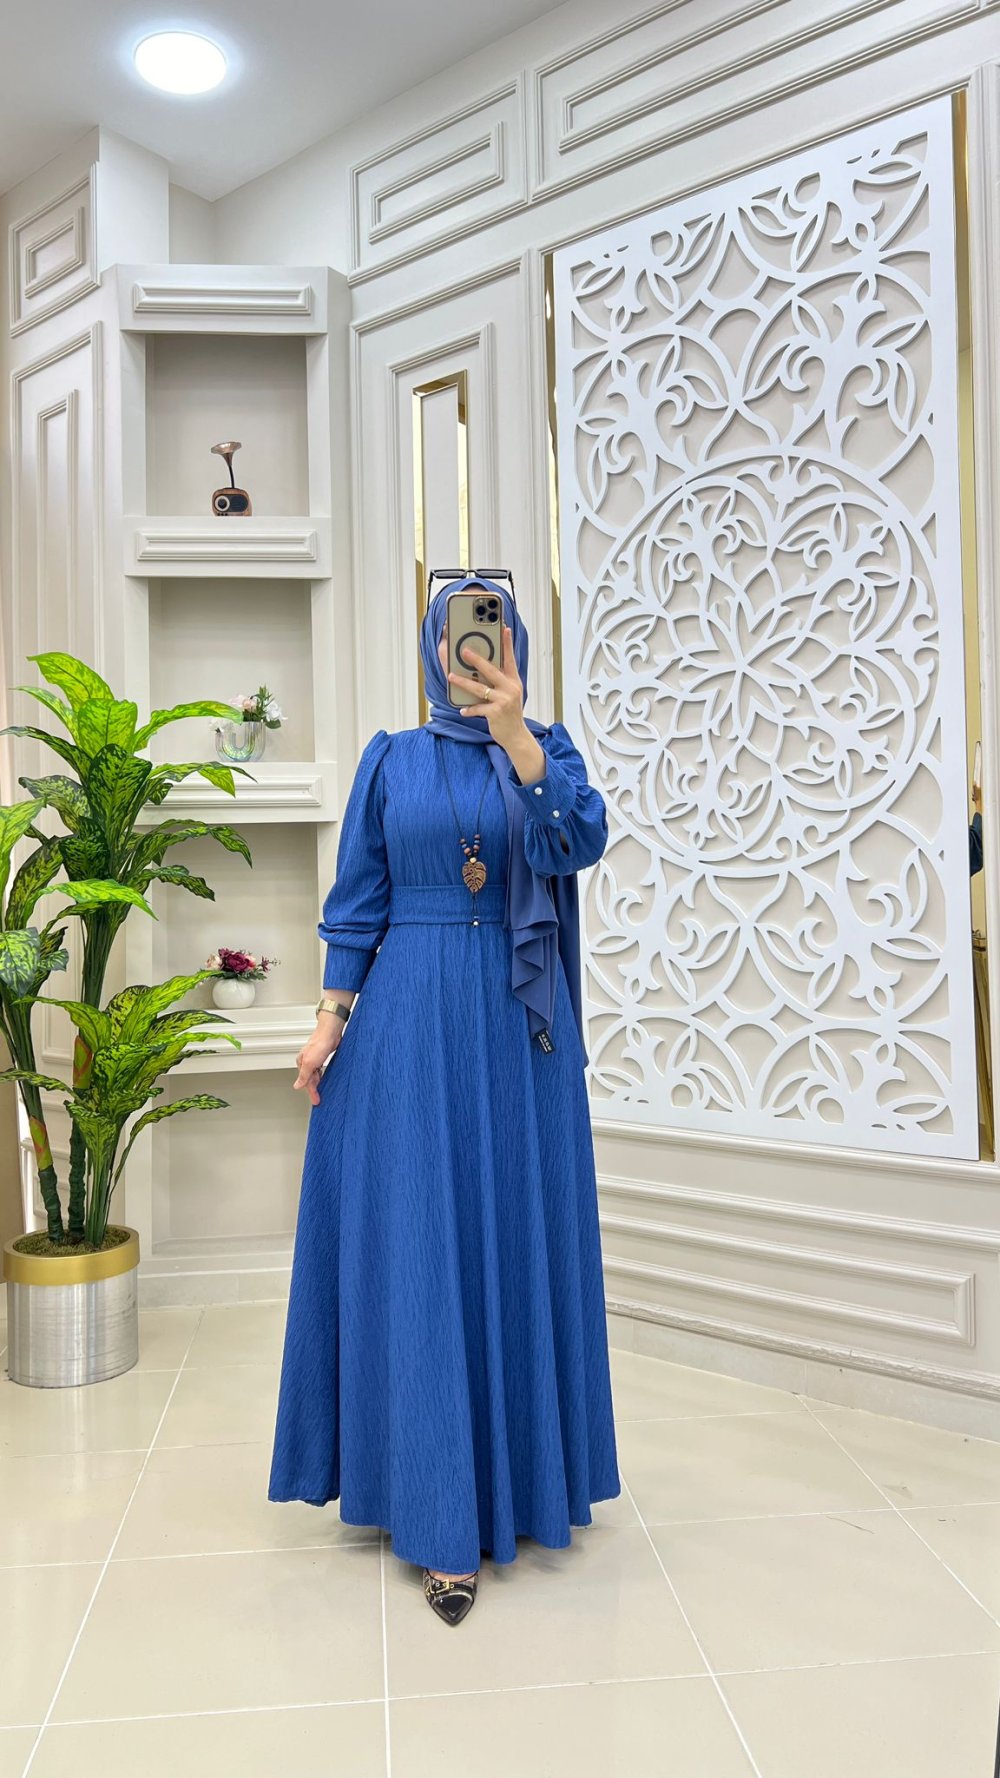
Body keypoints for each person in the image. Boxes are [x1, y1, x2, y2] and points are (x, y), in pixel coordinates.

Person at [268, 577, 622, 1626]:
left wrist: (516, 738)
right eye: (460, 635)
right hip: (409, 1025)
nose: (475, 652)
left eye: (491, 633)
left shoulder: (547, 752)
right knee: (422, 1251)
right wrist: (328, 1020)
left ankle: (521, 1484)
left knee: (512, 1240)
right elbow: (357, 903)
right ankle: (435, 1514)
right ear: (432, 646)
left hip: (520, 1031)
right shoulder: (391, 759)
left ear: (513, 645)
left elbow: (579, 840)